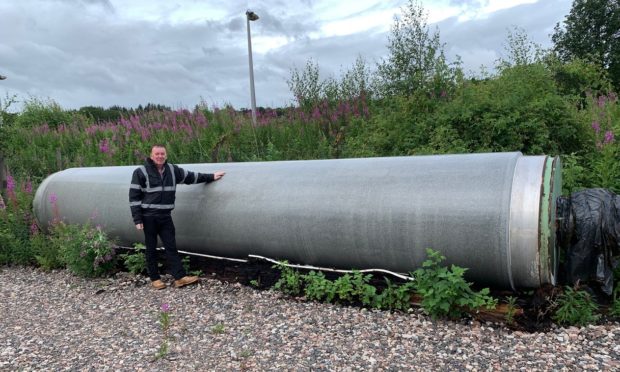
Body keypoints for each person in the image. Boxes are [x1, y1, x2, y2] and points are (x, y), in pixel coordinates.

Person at [129, 144, 225, 289]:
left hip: (165, 216)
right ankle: (155, 279)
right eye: (157, 154)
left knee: (171, 247)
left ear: (166, 155)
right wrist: (137, 219)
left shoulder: (173, 170)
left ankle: (179, 278)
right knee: (151, 248)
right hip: (148, 217)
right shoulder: (140, 172)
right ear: (151, 155)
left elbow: (192, 177)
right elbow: (134, 196)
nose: (160, 156)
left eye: (162, 154)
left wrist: (211, 176)